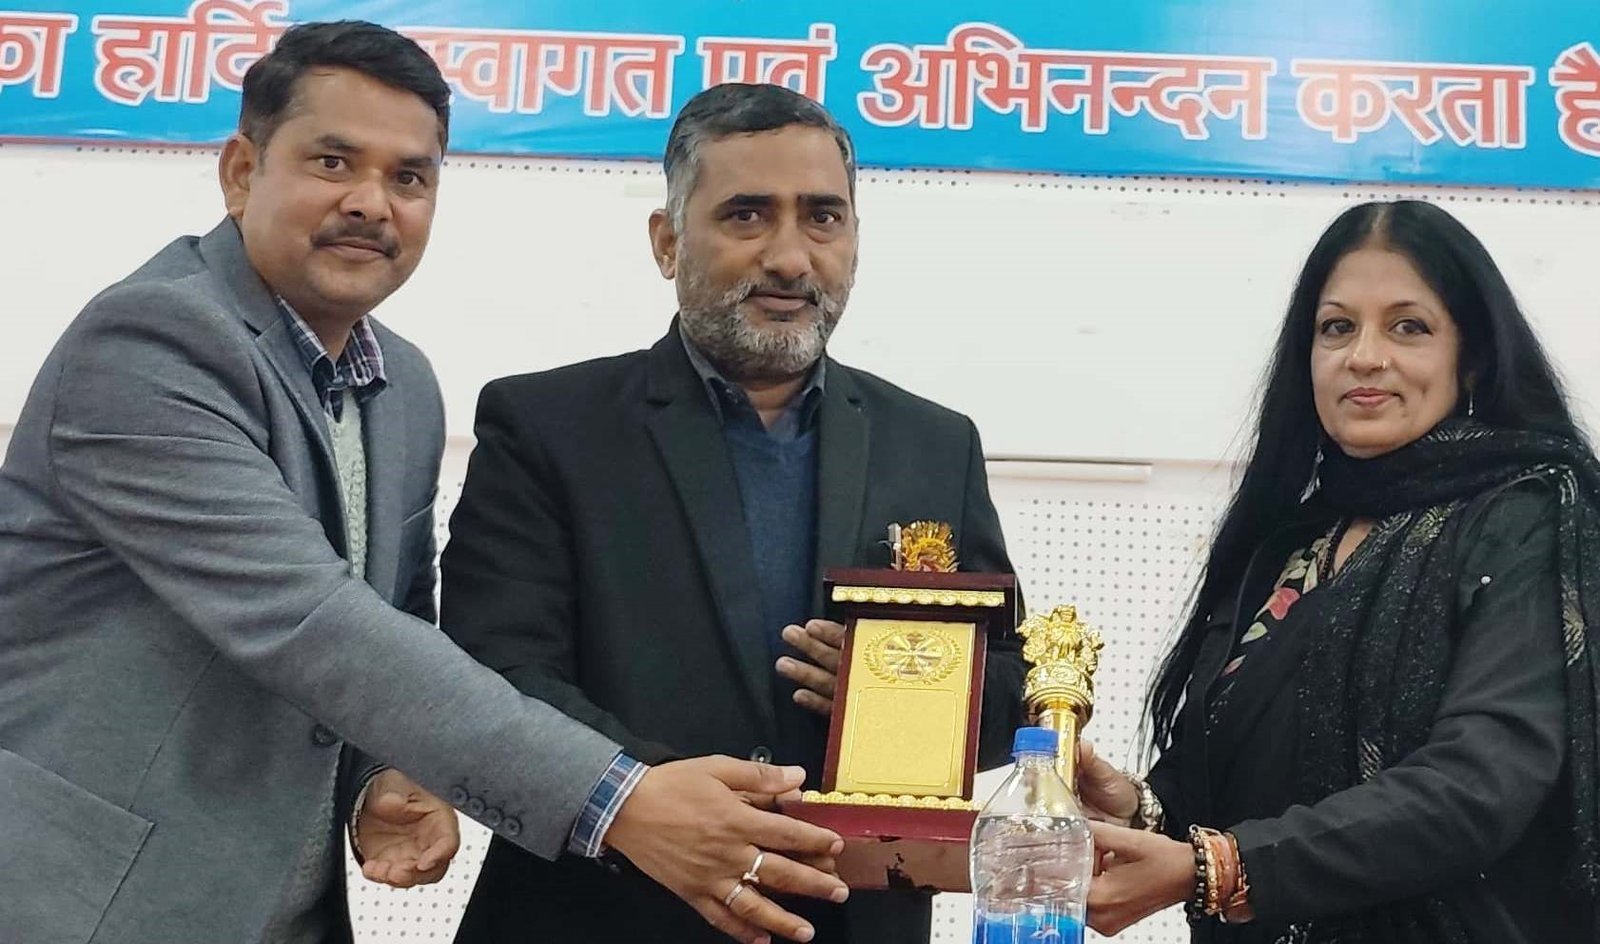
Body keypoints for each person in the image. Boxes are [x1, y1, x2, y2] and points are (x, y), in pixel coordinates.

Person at [0, 25, 844, 944]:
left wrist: (383, 771)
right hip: (88, 905)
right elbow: (309, 623)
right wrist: (619, 799)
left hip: (283, 910)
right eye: (332, 162)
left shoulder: (399, 382)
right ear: (242, 172)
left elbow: (397, 615)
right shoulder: (152, 343)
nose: (372, 203)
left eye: (409, 177)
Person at [438, 82, 1029, 944]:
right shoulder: (547, 426)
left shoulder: (935, 443)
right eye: (747, 215)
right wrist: (652, 803)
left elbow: (1010, 688)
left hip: (849, 921)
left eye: (823, 218)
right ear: (667, 240)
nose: (790, 257)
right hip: (601, 915)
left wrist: (899, 691)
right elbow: (493, 674)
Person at [1078, 200, 1600, 943]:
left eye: (1408, 327)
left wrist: (1223, 868)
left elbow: (1481, 781)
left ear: (1473, 357)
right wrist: (1139, 811)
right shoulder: (1290, 543)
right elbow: (1245, 782)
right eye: (1337, 327)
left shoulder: (1527, 515)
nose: (1365, 356)